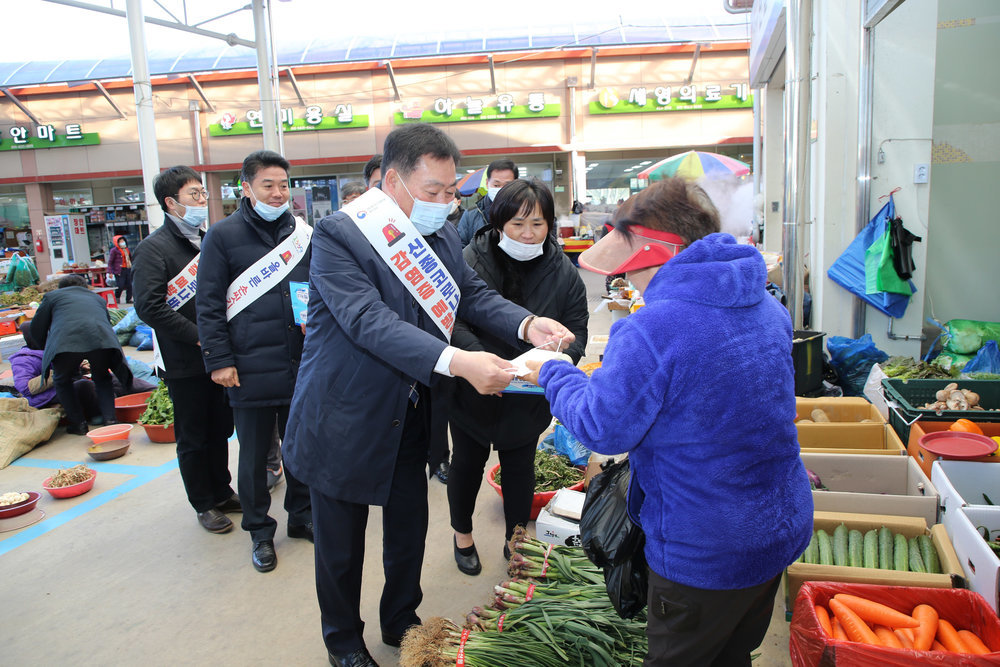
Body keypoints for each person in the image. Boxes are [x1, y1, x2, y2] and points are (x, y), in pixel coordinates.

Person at [282, 122, 574, 667]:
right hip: (344, 415)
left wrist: (528, 324)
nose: (445, 203)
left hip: (412, 413)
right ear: (393, 180)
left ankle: (400, 618)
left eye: (451, 192)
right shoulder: (339, 235)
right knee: (342, 546)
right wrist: (458, 362)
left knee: (409, 528)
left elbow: (472, 294)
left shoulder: (438, 234)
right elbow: (367, 321)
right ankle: (343, 643)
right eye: (434, 192)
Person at [523, 178, 813, 666]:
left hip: (703, 548)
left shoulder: (654, 328)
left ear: (659, 251)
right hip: (778, 528)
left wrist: (554, 372)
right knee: (734, 652)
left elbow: (602, 427)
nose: (626, 281)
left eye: (630, 266)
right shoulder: (767, 307)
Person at [448, 178, 589, 576]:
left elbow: (576, 326)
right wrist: (479, 364)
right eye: (517, 225)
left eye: (538, 224)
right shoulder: (470, 260)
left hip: (528, 394)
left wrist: (557, 360)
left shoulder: (564, 273)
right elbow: (453, 320)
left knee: (519, 468)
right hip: (473, 387)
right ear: (498, 224)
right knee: (467, 463)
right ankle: (462, 536)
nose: (528, 234)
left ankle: (516, 539)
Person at [196, 150, 313, 573]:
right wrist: (219, 360)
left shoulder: (304, 234)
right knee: (252, 458)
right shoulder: (222, 236)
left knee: (300, 448)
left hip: (301, 360)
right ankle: (260, 532)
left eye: (284, 184)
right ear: (246, 188)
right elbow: (207, 304)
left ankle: (301, 517)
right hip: (248, 366)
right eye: (268, 185)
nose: (278, 193)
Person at [133, 165, 240, 535]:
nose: (201, 201)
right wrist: (201, 336)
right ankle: (203, 502)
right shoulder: (154, 249)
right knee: (194, 434)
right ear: (171, 202)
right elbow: (150, 306)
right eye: (194, 195)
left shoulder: (209, 240)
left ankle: (222, 490)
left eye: (202, 195)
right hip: (186, 361)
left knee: (220, 428)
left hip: (219, 356)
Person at [28, 274, 135, 434]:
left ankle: (78, 424)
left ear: (61, 287)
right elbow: (105, 321)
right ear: (84, 287)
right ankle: (110, 420)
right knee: (102, 379)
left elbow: (37, 326)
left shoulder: (52, 296)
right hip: (100, 340)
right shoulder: (96, 298)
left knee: (62, 380)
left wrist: (43, 347)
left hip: (65, 342)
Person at [10, 321, 100, 418]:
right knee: (85, 386)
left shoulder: (53, 348)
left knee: (107, 379)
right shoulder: (23, 360)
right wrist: (58, 373)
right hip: (45, 397)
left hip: (64, 386)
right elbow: (26, 388)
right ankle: (95, 415)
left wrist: (80, 366)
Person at [456, 159, 519, 246]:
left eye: (507, 185)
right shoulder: (471, 215)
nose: (501, 190)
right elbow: (459, 246)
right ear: (487, 183)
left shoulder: (524, 212)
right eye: (496, 185)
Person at [108, 234, 133, 303]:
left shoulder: (126, 249)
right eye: (120, 241)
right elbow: (110, 262)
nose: (122, 242)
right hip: (119, 270)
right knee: (120, 285)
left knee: (130, 285)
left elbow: (131, 259)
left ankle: (128, 299)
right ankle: (117, 297)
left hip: (128, 268)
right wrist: (110, 272)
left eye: (123, 240)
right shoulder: (114, 250)